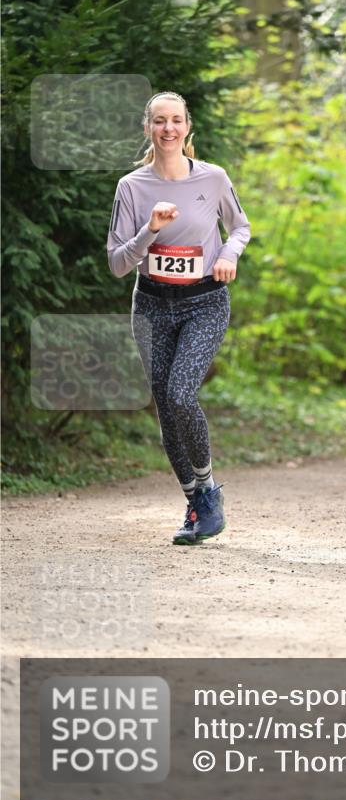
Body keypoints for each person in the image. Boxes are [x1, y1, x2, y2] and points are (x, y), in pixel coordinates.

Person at [107, 91, 251, 544]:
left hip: (204, 301)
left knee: (181, 393)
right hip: (151, 304)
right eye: (159, 121)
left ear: (188, 126)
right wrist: (149, 230)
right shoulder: (132, 187)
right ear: (147, 128)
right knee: (166, 408)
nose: (168, 129)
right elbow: (116, 263)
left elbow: (240, 227)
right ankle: (198, 504)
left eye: (176, 121)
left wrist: (228, 253)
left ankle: (207, 489)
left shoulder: (212, 178)